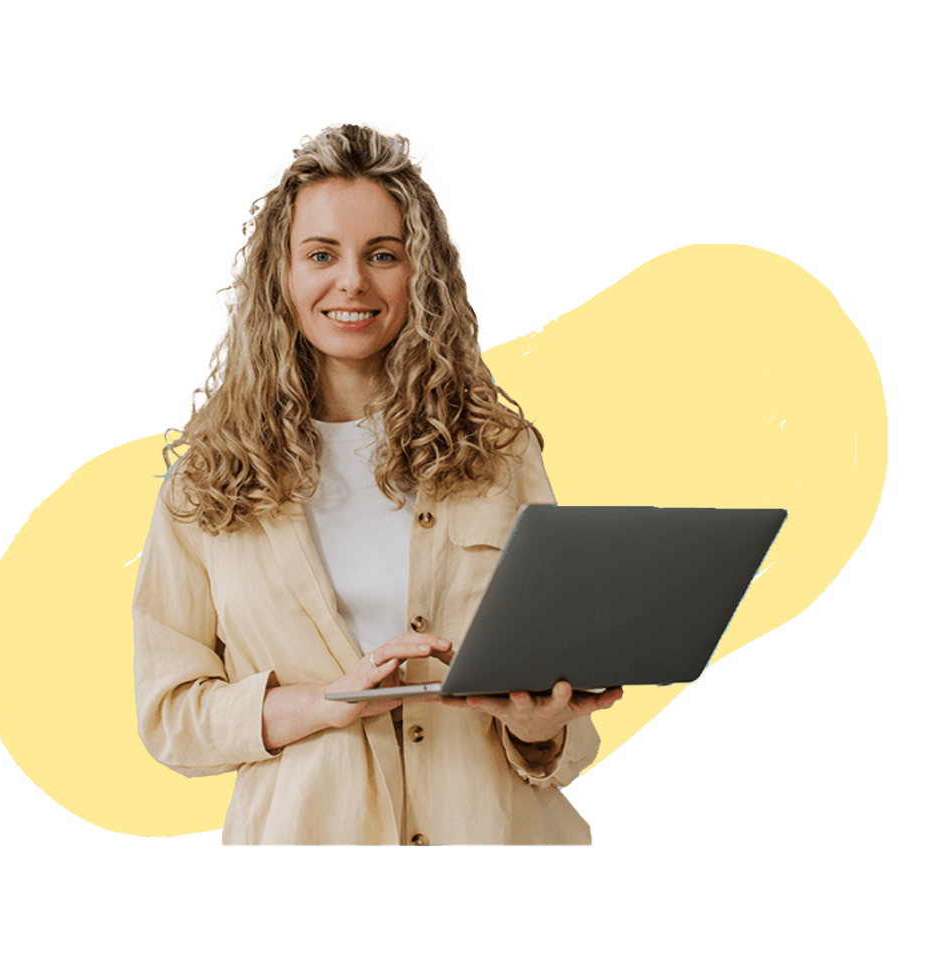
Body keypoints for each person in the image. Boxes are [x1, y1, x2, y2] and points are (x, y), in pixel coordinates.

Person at [133, 119, 623, 846]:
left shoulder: (500, 452)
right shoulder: (209, 481)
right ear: (282, 275)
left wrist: (540, 730)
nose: (352, 281)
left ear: (419, 273)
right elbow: (170, 715)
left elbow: (559, 714)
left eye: (382, 254)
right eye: (321, 254)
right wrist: (325, 703)